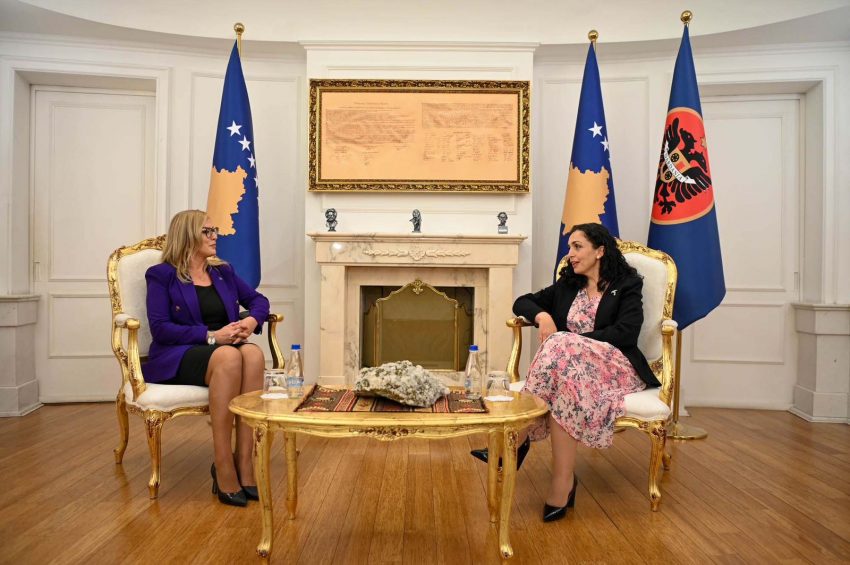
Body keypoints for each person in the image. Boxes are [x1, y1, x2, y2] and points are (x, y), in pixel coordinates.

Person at [471, 223, 658, 522]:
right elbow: (521, 302)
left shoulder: (626, 285)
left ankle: (516, 441)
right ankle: (563, 484)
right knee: (563, 385)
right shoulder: (569, 285)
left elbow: (626, 332)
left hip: (614, 365)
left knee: (560, 343)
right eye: (570, 247)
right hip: (572, 369)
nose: (570, 254)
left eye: (577, 246)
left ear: (599, 251)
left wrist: (575, 341)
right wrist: (542, 315)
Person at [143, 210, 270, 507]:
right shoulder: (161, 275)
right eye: (208, 231)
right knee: (228, 356)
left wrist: (251, 321)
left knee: (252, 354)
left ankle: (244, 462)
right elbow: (160, 329)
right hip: (180, 352)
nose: (215, 237)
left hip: (222, 348)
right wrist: (212, 336)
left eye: (215, 231)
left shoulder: (222, 272)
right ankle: (223, 464)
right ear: (187, 235)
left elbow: (258, 300)